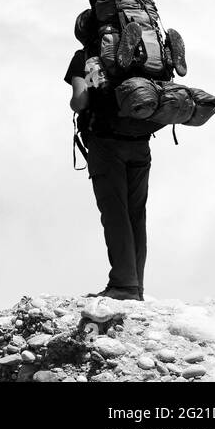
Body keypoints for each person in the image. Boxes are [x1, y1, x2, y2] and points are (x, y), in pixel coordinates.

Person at [64, 33, 157, 301]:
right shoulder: (143, 55)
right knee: (136, 214)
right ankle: (135, 286)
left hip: (106, 143)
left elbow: (80, 100)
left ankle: (124, 285)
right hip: (140, 140)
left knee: (115, 213)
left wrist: (75, 103)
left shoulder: (84, 57)